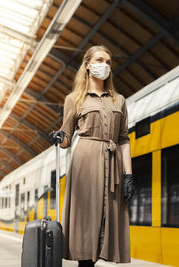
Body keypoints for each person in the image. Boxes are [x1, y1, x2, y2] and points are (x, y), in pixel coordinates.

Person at [50, 45, 135, 267]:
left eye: (108, 62)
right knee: (86, 223)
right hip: (85, 163)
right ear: (87, 65)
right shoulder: (74, 99)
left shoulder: (119, 100)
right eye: (99, 60)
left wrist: (128, 175)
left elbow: (124, 139)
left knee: (109, 220)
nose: (104, 65)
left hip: (113, 162)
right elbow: (67, 138)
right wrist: (61, 137)